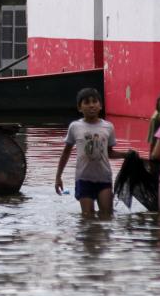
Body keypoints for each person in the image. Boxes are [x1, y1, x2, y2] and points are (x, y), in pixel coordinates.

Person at [55, 88, 128, 216]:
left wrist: (125, 155)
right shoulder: (75, 127)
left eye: (95, 102)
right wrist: (58, 177)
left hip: (104, 178)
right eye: (87, 102)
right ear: (79, 108)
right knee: (87, 216)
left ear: (100, 106)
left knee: (106, 215)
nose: (91, 105)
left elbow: (109, 153)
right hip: (83, 178)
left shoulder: (108, 127)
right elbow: (66, 153)